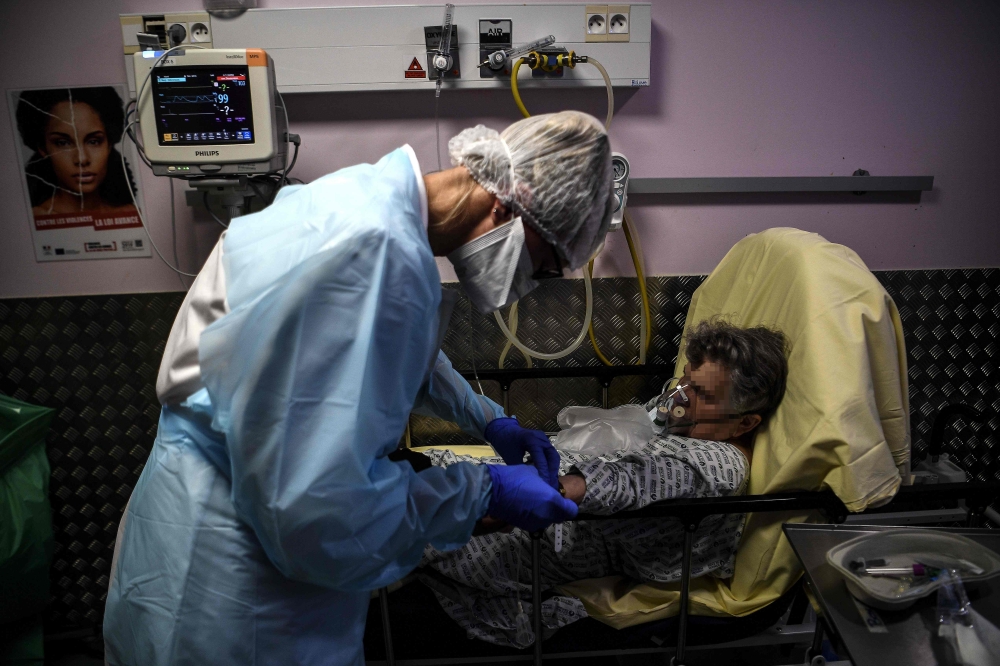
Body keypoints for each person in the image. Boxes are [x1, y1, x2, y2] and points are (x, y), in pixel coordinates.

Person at [103, 110, 613, 666]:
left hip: (192, 513)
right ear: (510, 206)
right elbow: (319, 511)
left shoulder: (366, 198)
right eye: (542, 265)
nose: (528, 285)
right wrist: (482, 493)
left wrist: (486, 418)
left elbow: (374, 346)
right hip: (233, 582)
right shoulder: (374, 253)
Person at [416, 321, 789, 647]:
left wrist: (553, 490)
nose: (679, 398)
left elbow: (637, 481)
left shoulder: (718, 464)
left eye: (702, 395)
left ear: (745, 424)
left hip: (546, 532)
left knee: (409, 523)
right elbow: (637, 434)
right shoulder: (684, 418)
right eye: (686, 380)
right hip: (515, 482)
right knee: (418, 476)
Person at [15, 87, 138, 217]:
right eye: (62, 143)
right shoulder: (35, 218)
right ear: (43, 148)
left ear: (109, 145)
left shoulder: (131, 214)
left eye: (94, 141)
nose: (82, 159)